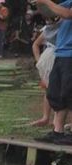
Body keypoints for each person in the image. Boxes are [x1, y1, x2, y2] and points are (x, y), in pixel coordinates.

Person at [34, 0, 72, 144]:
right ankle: (58, 132)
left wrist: (46, 1)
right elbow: (48, 12)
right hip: (61, 53)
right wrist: (39, 3)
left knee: (69, 93)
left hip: (70, 54)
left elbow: (68, 14)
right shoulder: (68, 2)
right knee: (55, 94)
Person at [31, 19, 60, 126]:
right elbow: (35, 45)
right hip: (49, 59)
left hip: (63, 58)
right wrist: (39, 62)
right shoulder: (49, 29)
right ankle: (45, 117)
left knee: (63, 89)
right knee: (48, 89)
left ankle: (58, 120)